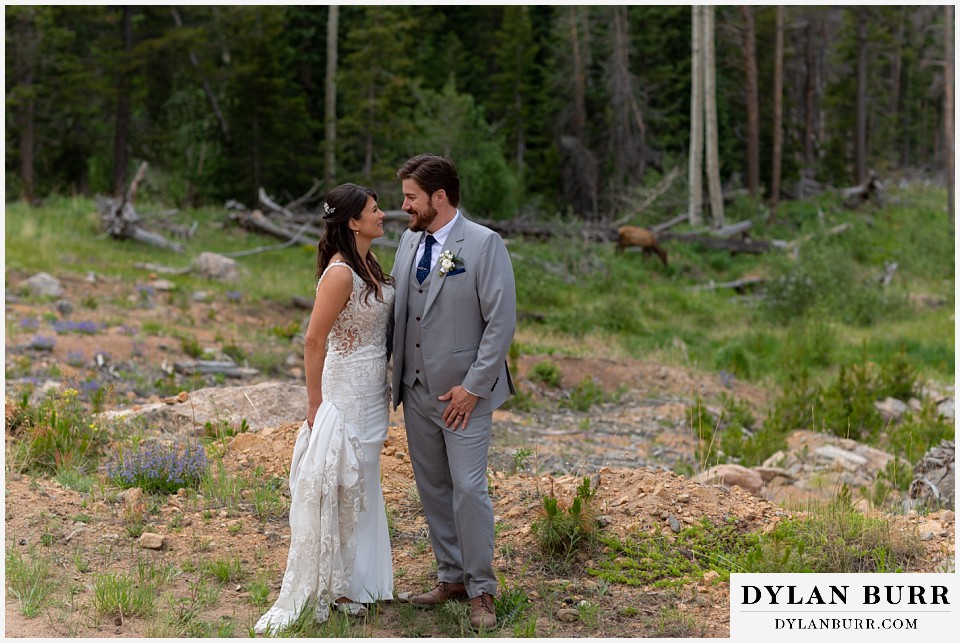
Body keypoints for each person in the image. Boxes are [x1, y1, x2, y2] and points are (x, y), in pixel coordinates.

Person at [255, 183, 395, 634]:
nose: (383, 215)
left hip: (373, 387)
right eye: (375, 210)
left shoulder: (368, 262)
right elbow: (314, 340)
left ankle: (360, 581)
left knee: (365, 479)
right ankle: (338, 584)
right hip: (345, 390)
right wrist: (315, 402)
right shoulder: (340, 274)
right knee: (343, 482)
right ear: (353, 221)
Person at [390, 154, 517, 630]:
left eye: (411, 197)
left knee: (468, 489)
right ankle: (452, 577)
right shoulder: (407, 241)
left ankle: (482, 588)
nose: (403, 206)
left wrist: (472, 389)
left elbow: (501, 322)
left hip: (465, 396)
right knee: (433, 489)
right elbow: (400, 310)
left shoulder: (484, 244)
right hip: (415, 389)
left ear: (438, 198)